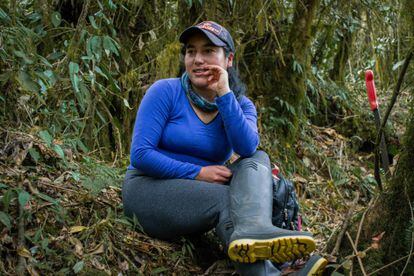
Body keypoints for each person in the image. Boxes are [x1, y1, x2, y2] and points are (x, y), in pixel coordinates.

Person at [122, 21, 326, 275]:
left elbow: (247, 147)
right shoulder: (165, 91)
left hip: (196, 201)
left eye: (208, 51)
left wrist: (225, 95)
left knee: (258, 159)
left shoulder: (241, 105)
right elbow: (141, 155)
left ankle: (260, 236)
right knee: (227, 199)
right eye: (191, 51)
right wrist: (198, 173)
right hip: (146, 191)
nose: (197, 59)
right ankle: (279, 270)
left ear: (228, 59)